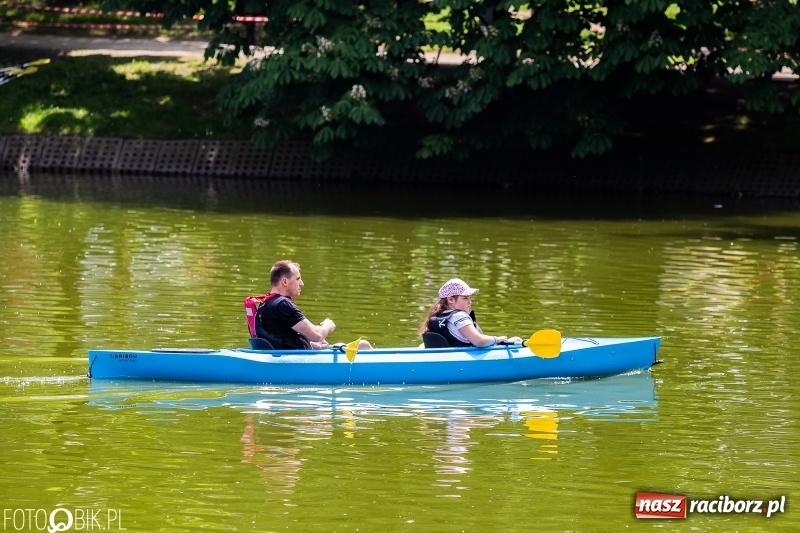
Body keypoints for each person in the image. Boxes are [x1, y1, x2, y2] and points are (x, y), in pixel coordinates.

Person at [255, 260, 372, 350]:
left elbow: (280, 335)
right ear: (284, 282)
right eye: (298, 279)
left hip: (288, 355)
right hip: (298, 360)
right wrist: (327, 326)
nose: (302, 283)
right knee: (364, 345)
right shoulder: (283, 304)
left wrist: (308, 341)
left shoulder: (265, 303)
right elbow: (317, 335)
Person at [419, 278, 522, 348]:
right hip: (465, 358)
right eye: (465, 298)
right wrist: (497, 339)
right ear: (450, 299)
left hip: (450, 357)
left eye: (469, 298)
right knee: (516, 339)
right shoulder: (459, 316)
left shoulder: (437, 316)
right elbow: (479, 341)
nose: (469, 301)